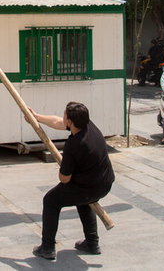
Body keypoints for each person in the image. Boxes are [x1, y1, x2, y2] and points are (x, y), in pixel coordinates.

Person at [28, 102, 114, 260]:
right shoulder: (88, 125)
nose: (63, 118)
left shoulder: (74, 145)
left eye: (65, 116)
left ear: (70, 122)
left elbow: (64, 178)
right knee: (83, 199)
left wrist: (66, 168)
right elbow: (58, 122)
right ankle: (92, 243)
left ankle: (47, 247)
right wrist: (36, 117)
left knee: (51, 200)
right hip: (105, 181)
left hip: (90, 186)